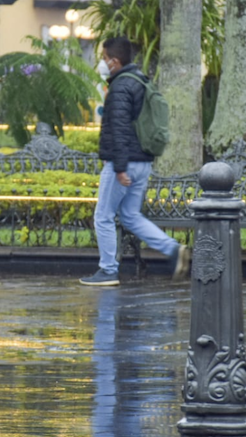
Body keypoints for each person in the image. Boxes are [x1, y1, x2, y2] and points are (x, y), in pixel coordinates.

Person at [80, 36, 190, 286]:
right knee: (129, 215)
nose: (103, 63)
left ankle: (108, 270)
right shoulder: (140, 81)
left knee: (103, 216)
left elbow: (118, 129)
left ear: (115, 61)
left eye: (104, 58)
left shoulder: (120, 87)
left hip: (125, 163)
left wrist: (119, 168)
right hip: (142, 162)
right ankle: (172, 249)